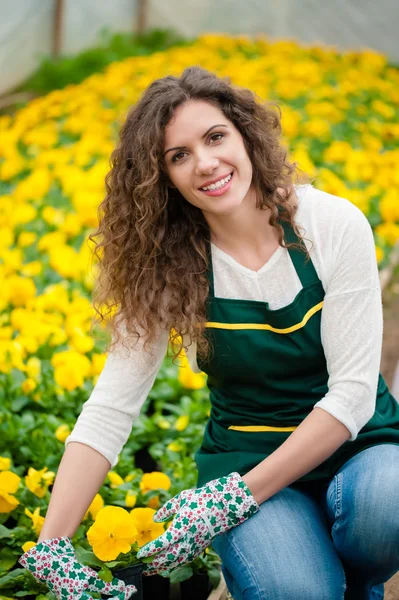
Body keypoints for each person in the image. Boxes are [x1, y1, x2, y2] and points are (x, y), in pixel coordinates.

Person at [19, 67, 399, 600]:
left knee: (389, 503)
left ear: (245, 134)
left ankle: (359, 583)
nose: (206, 163)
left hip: (358, 448)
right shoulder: (166, 265)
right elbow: (110, 409)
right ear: (162, 178)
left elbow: (354, 394)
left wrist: (230, 501)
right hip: (245, 459)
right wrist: (51, 544)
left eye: (215, 137)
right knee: (296, 592)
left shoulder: (331, 226)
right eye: (179, 156)